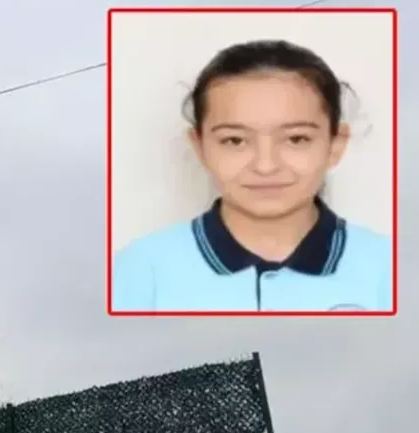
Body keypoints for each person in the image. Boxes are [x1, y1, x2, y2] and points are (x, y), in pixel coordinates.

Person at [112, 39, 392, 313]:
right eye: (235, 140)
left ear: (336, 144)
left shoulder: (391, 270)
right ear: (199, 146)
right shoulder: (139, 272)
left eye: (296, 139)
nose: (265, 166)